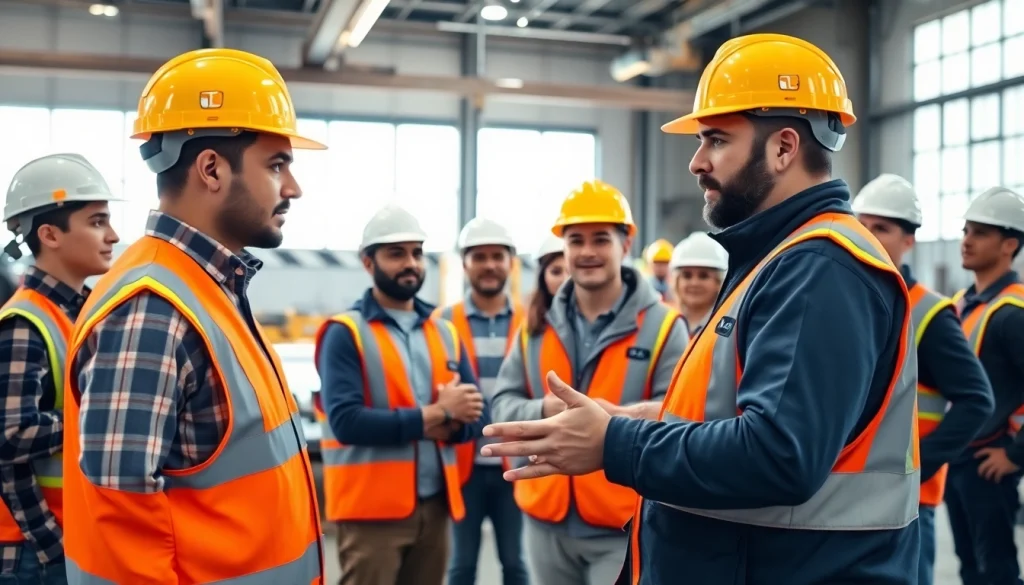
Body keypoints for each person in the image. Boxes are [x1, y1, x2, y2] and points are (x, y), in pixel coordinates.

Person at [481, 33, 922, 585]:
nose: (695, 162)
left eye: (715, 140)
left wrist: (616, 443)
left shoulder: (820, 269)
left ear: (784, 147)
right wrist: (657, 421)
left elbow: (779, 455)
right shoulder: (778, 258)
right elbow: (753, 416)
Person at [62, 48, 326, 584]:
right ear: (211, 168)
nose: (293, 188)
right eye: (277, 165)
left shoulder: (209, 286)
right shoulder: (152, 309)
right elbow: (122, 527)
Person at [488, 180, 687, 585]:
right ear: (563, 248)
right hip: (545, 519)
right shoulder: (534, 328)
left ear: (625, 245)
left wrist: (620, 420)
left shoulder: (665, 327)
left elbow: (683, 416)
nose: (588, 252)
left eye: (601, 239)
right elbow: (503, 402)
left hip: (622, 520)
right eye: (576, 240)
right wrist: (545, 410)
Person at [315, 203, 488, 585]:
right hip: (370, 516)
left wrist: (454, 425)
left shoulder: (444, 333)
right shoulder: (345, 333)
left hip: (435, 506)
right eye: (396, 254)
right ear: (367, 262)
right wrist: (439, 416)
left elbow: (479, 415)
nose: (410, 263)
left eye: (416, 252)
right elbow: (347, 422)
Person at [853, 173, 994, 585]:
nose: (869, 236)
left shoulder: (928, 312)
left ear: (908, 240)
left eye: (882, 228)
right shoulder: (849, 299)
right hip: (844, 496)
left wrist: (919, 468)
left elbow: (976, 400)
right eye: (862, 225)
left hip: (905, 506)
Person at [0, 154, 121, 584]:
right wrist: (53, 547)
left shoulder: (81, 313)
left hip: (76, 541)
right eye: (97, 222)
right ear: (49, 234)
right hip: (38, 552)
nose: (113, 235)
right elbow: (9, 439)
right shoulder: (24, 324)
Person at [434, 217, 528, 585]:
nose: (489, 265)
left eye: (497, 256)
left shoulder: (531, 321)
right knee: (461, 566)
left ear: (510, 262)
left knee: (516, 564)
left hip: (516, 465)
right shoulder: (442, 322)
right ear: (465, 263)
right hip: (462, 466)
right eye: (480, 256)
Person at [945, 186, 1024, 585]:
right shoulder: (962, 303)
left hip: (990, 464)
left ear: (1010, 243)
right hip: (959, 458)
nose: (966, 241)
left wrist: (1015, 455)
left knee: (996, 570)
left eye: (979, 232)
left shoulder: (1013, 312)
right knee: (970, 566)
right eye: (965, 231)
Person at [667, 232, 727, 335]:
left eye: (703, 276)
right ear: (676, 282)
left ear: (719, 282)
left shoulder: (728, 325)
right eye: (687, 275)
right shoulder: (664, 320)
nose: (694, 283)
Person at [524, 234, 568, 337]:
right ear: (542, 277)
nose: (565, 280)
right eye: (556, 272)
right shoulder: (528, 326)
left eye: (571, 272)